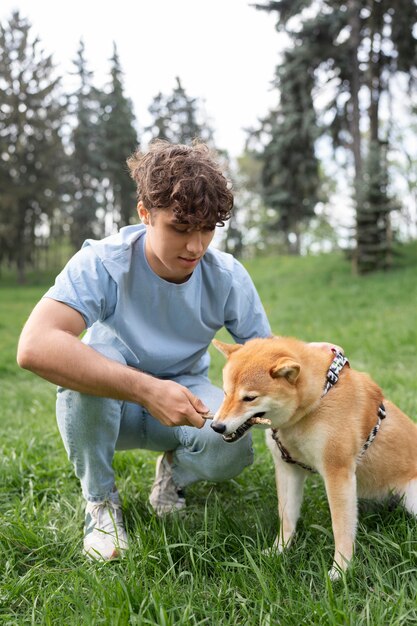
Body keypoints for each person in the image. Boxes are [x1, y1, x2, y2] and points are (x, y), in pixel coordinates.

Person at [17, 140, 273, 561]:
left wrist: (311, 356)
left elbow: (264, 354)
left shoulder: (226, 276)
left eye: (207, 229)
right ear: (144, 214)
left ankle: (174, 475)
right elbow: (34, 346)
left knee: (234, 447)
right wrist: (148, 390)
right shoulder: (103, 262)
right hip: (106, 407)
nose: (195, 247)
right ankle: (100, 503)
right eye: (180, 227)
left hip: (187, 398)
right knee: (86, 369)